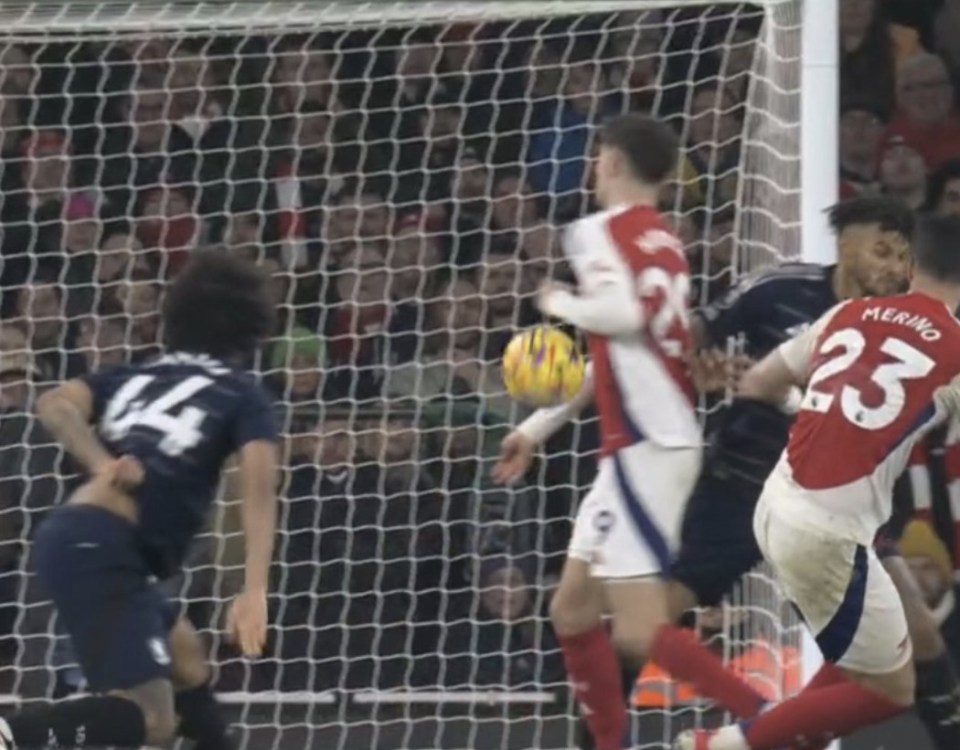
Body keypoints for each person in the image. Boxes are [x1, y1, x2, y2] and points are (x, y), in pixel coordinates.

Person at [492, 113, 770, 750]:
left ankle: (770, 724)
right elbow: (625, 349)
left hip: (649, 448)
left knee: (638, 629)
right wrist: (539, 427)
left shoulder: (597, 230)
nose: (592, 171)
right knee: (571, 610)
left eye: (595, 160)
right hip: (641, 447)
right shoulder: (665, 242)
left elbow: (618, 315)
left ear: (610, 162)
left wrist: (556, 301)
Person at [676, 195, 960, 749]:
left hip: (780, 502)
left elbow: (759, 383)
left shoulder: (844, 313)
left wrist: (816, 412)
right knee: (890, 689)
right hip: (827, 532)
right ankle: (719, 745)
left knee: (895, 641)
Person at [0, 251, 278, 750]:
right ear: (250, 330)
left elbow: (53, 404)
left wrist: (98, 460)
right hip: (104, 551)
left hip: (82, 538)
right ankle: (13, 737)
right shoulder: (242, 393)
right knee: (154, 721)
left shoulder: (132, 376)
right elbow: (258, 491)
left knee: (189, 660)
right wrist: (254, 589)